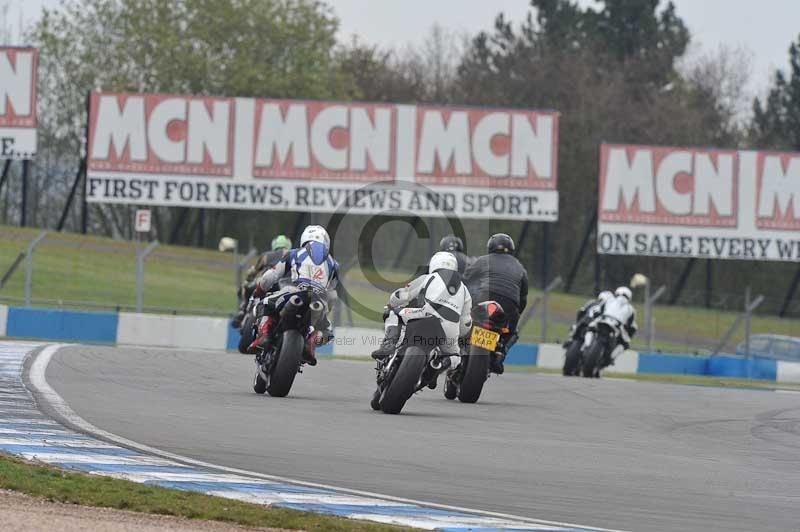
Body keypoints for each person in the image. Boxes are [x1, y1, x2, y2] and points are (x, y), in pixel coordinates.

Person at [370, 252, 472, 386]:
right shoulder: (465, 290)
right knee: (455, 358)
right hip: (450, 328)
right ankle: (436, 367)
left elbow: (402, 296)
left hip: (425, 314)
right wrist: (456, 333)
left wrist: (393, 302)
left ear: (434, 264)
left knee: (392, 313)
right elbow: (466, 324)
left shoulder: (428, 277)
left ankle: (388, 345)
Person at [250, 225, 339, 365]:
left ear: (304, 238)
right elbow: (332, 294)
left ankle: (264, 335)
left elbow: (270, 277)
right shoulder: (334, 264)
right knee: (329, 335)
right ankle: (312, 342)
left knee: (264, 304)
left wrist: (259, 290)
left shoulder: (293, 253)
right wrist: (326, 310)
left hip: (293, 292)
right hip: (319, 302)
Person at [462, 233, 528, 374]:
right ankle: (500, 352)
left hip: (484, 297)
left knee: (465, 317)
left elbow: (466, 279)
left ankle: (458, 344)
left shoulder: (483, 260)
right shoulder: (520, 268)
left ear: (490, 247)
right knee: (512, 332)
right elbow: (523, 298)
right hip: (509, 306)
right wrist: (516, 314)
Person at [233, 235, 292, 327]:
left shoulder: (266, 255)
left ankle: (243, 310)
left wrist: (249, 276)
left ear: (274, 245)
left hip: (266, 282)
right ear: (288, 245)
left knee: (247, 286)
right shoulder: (293, 254)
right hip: (286, 285)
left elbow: (254, 271)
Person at [587, 286, 638, 367]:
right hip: (616, 326)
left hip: (603, 321)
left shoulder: (609, 300)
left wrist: (594, 318)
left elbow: (597, 310)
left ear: (616, 293)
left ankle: (587, 345)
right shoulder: (631, 309)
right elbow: (632, 326)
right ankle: (611, 358)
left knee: (590, 328)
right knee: (625, 344)